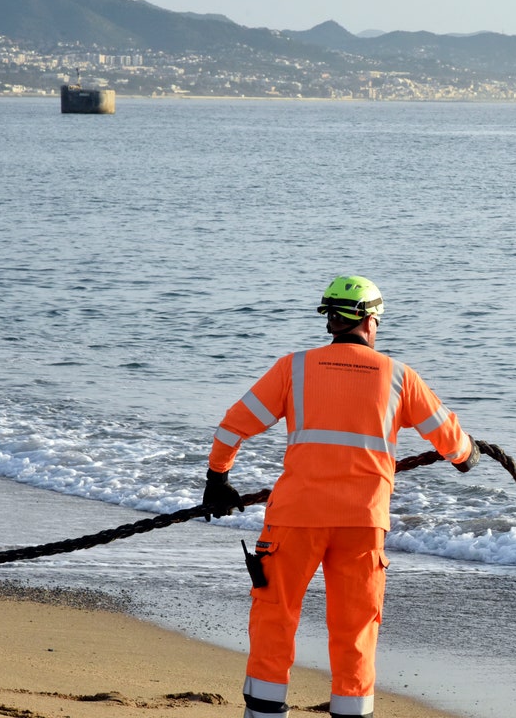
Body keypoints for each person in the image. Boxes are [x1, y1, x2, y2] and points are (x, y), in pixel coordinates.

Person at [201, 275, 479, 718]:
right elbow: (453, 444)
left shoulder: (293, 368)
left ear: (330, 320)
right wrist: (469, 455)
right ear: (370, 321)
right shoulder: (399, 376)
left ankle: (264, 714)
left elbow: (234, 424)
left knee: (276, 616)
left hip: (294, 518)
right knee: (355, 630)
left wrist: (218, 478)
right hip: (363, 523)